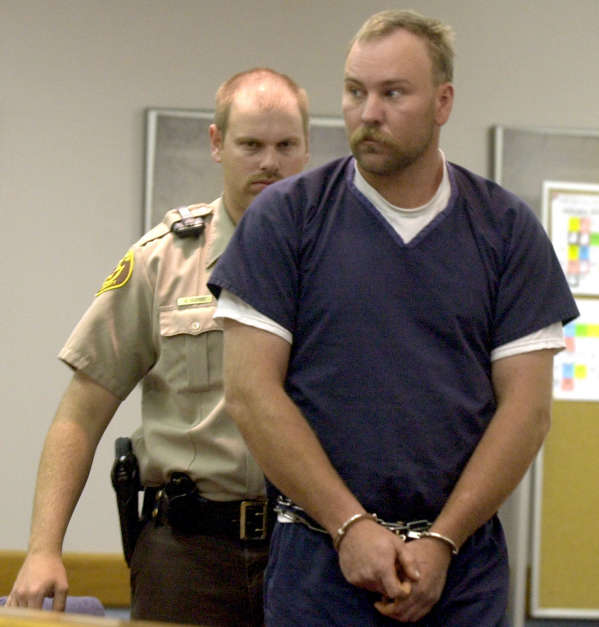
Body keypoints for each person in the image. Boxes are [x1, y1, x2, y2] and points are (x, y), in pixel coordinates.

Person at [207, 10, 579, 627]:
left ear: (443, 102)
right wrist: (349, 525)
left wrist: (443, 541)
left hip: (460, 566)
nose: (367, 112)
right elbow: (251, 392)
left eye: (392, 93)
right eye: (355, 92)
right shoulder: (286, 219)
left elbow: (527, 410)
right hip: (319, 562)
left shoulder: (505, 230)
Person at [6, 67, 310, 626]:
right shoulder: (161, 261)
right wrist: (45, 548)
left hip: (309, 550)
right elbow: (80, 412)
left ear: (307, 147)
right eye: (251, 144)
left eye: (286, 145)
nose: (270, 162)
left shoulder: (338, 267)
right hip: (189, 552)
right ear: (218, 144)